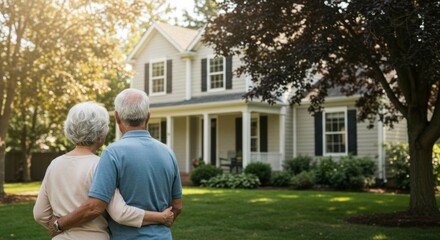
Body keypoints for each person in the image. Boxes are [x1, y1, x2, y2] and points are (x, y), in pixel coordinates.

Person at [50, 89, 183, 239]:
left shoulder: (112, 153)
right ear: (148, 117)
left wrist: (59, 225)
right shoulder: (168, 152)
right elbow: (177, 206)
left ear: (117, 117)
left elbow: (95, 207)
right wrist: (161, 220)